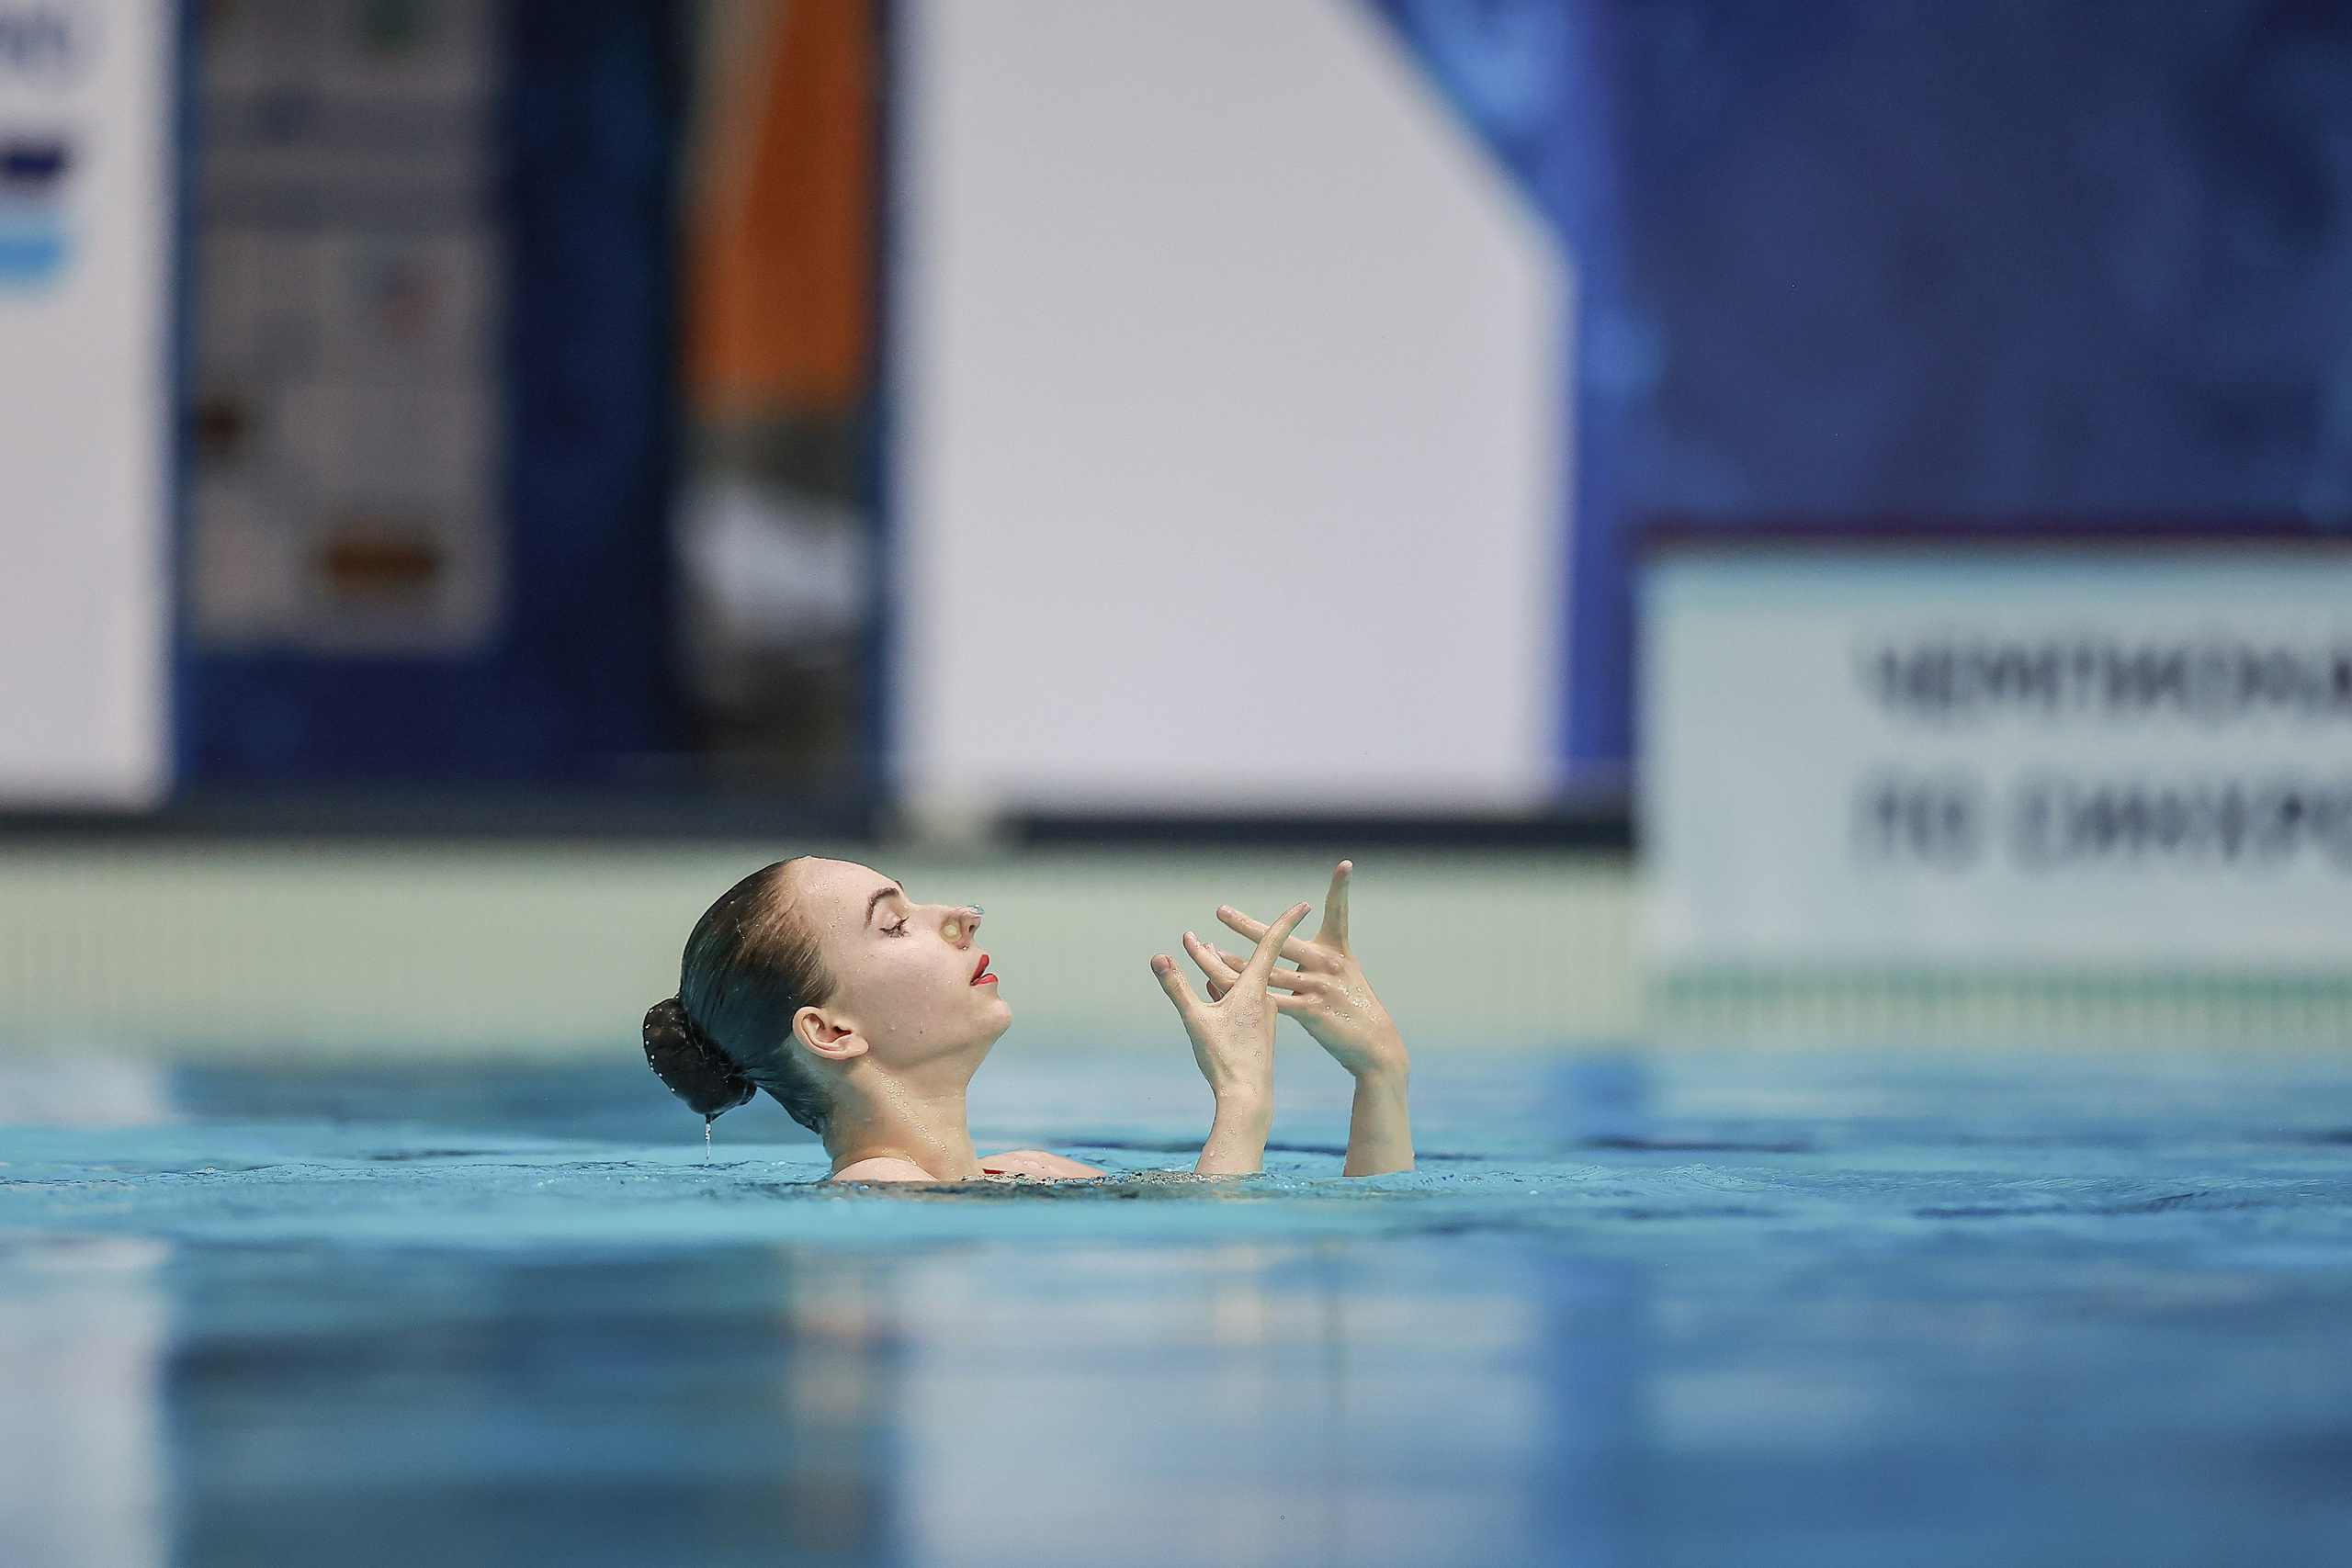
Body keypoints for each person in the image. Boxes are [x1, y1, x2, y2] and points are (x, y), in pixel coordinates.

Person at [641, 856, 1413, 1181]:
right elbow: (1225, 1308)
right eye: (895, 923)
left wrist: (1379, 1077)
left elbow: (1354, 1245)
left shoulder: (1025, 1173)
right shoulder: (876, 1192)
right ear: (832, 1031)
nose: (963, 915)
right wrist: (1242, 1099)